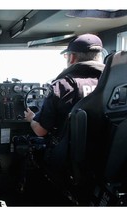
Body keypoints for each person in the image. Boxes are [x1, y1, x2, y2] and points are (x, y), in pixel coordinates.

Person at [24, 33, 105, 172]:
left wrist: (31, 119)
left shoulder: (62, 86)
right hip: (105, 156)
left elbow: (41, 131)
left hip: (67, 158)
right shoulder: (111, 83)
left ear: (72, 57)